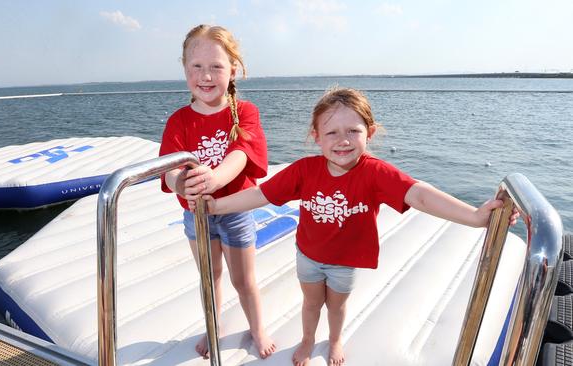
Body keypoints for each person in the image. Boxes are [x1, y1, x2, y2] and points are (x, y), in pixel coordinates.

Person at [188, 87, 518, 366]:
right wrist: (216, 206)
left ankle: (333, 340)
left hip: (346, 262)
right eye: (331, 132)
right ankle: (307, 339)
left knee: (337, 305)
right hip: (308, 256)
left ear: (369, 133)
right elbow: (260, 194)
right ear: (316, 137)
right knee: (311, 303)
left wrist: (475, 217)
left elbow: (420, 195)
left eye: (353, 131)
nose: (342, 141)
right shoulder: (304, 170)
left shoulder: (375, 173)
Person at [159, 24, 276, 359]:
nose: (206, 76)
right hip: (196, 217)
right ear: (184, 70)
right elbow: (169, 170)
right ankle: (215, 327)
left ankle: (257, 328)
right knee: (209, 278)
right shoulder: (178, 121)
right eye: (196, 66)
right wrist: (181, 183)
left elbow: (241, 154)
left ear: (233, 70)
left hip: (235, 211)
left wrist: (214, 179)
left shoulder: (246, 113)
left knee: (243, 280)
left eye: (216, 67)